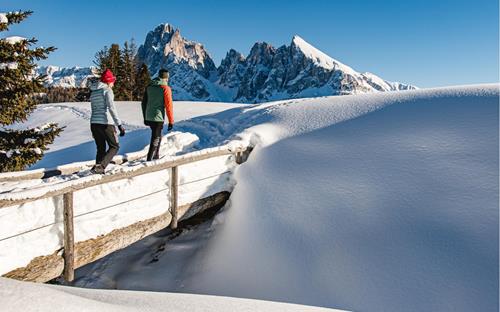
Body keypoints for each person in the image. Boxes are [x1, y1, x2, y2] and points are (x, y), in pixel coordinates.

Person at [89, 69, 125, 174]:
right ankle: (101, 166)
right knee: (115, 146)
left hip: (94, 123)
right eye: (112, 81)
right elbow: (111, 108)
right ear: (108, 81)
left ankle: (97, 169)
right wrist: (119, 125)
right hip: (106, 123)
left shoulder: (94, 91)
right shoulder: (107, 90)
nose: (113, 83)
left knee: (101, 148)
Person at [141, 68, 174, 161]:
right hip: (158, 117)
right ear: (166, 78)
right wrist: (171, 121)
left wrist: (145, 117)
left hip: (148, 116)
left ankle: (156, 155)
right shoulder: (165, 88)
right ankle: (149, 159)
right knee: (155, 137)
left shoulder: (149, 87)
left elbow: (143, 103)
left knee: (158, 135)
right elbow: (169, 106)